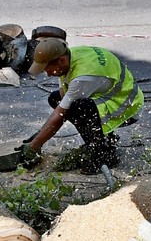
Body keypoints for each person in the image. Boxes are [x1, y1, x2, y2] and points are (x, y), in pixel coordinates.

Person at [21, 37, 143, 173]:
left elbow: (61, 115)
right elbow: (62, 98)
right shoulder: (69, 56)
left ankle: (104, 156)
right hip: (106, 96)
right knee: (55, 99)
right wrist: (42, 133)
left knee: (80, 108)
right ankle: (102, 141)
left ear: (61, 60)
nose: (48, 74)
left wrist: (34, 146)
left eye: (48, 69)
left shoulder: (83, 77)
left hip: (126, 106)